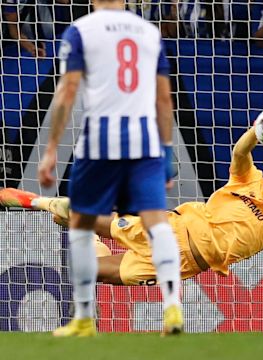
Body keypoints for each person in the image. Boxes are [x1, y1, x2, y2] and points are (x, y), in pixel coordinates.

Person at [3, 87, 263, 287]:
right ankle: (40, 203)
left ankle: (74, 223)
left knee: (88, 272)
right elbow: (240, 152)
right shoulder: (248, 178)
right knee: (78, 215)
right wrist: (262, 122)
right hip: (171, 229)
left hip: (185, 263)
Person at [37, 0, 182, 337]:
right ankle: (172, 307)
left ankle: (85, 317)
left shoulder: (82, 30)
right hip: (145, 140)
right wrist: (167, 155)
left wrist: (50, 150)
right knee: (156, 223)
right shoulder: (150, 33)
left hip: (101, 140)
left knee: (81, 224)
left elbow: (68, 89)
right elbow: (164, 99)